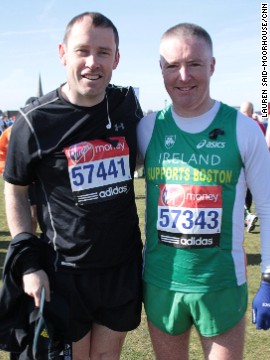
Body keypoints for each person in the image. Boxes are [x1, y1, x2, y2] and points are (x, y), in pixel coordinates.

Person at [3, 12, 143, 360]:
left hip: (121, 268)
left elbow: (142, 160)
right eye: (82, 50)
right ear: (63, 52)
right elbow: (16, 189)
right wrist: (28, 260)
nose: (92, 62)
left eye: (103, 52)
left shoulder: (127, 106)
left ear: (117, 58)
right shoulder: (34, 121)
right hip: (64, 274)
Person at [137, 23, 270, 360]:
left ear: (212, 65)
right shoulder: (147, 128)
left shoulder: (243, 128)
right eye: (172, 66)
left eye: (194, 63)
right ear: (161, 70)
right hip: (161, 283)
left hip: (221, 284)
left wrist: (268, 277)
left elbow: (267, 206)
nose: (183, 76)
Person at [240, 100, 266, 232]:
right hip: (258, 165)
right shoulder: (260, 125)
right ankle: (247, 215)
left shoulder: (242, 125)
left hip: (244, 164)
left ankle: (247, 216)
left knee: (238, 193)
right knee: (249, 193)